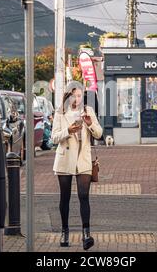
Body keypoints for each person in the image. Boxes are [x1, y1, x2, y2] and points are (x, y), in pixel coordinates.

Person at [51, 82, 103, 250]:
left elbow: (99, 134)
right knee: (64, 197)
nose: (77, 99)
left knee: (83, 196)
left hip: (83, 159)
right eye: (74, 95)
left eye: (80, 96)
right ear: (68, 95)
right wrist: (68, 130)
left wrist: (89, 123)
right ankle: (64, 232)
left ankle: (86, 235)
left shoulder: (88, 111)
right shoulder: (60, 113)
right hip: (65, 158)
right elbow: (53, 138)